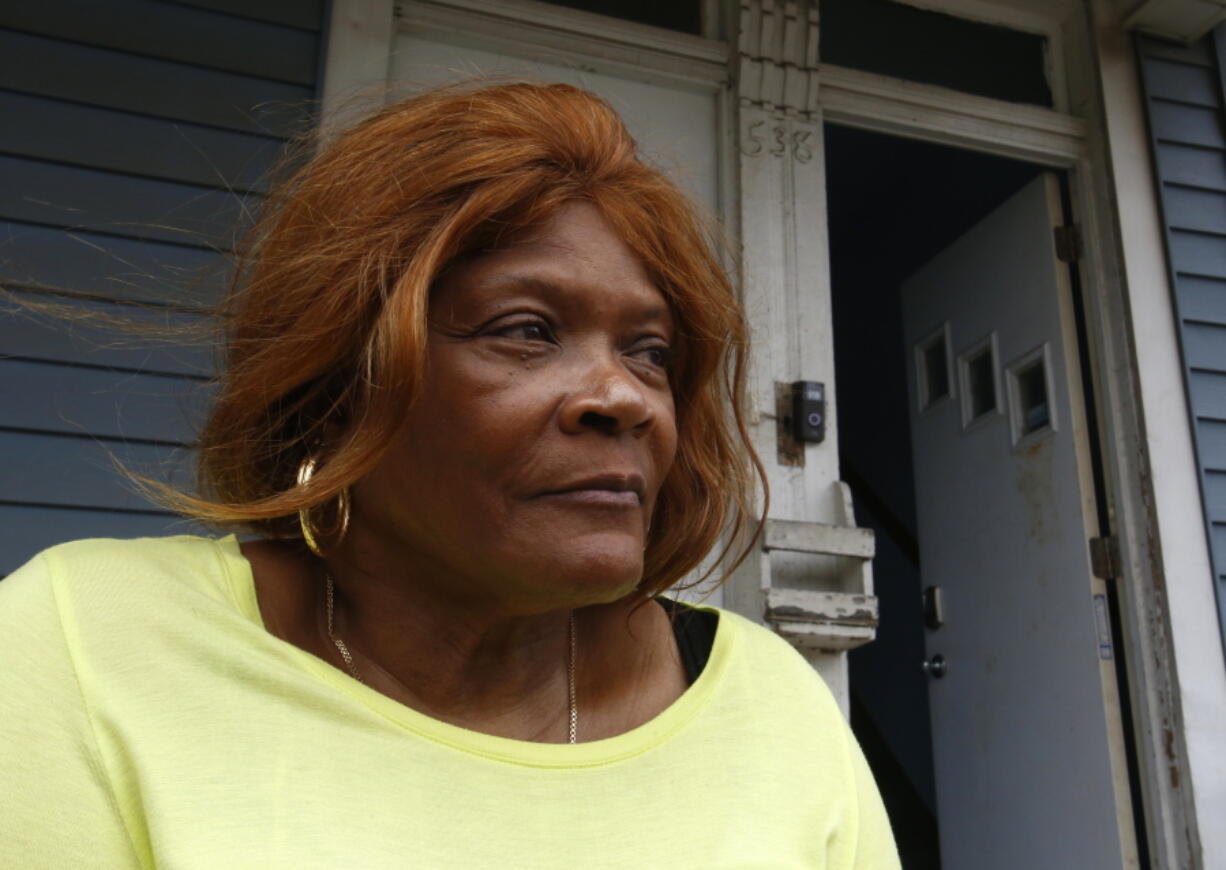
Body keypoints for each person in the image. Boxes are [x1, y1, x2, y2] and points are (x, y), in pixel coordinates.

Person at [0, 82, 900, 868]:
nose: (624, 398)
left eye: (651, 352)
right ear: (337, 380)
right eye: (527, 330)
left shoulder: (772, 707)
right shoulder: (87, 644)